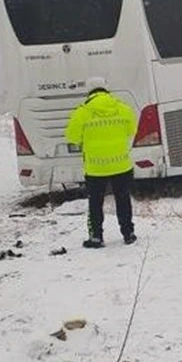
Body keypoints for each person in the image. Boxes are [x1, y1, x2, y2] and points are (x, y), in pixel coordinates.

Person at [64, 77, 138, 248]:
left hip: (95, 167)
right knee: (123, 199)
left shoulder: (82, 112)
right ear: (106, 89)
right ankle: (128, 234)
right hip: (121, 164)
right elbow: (131, 130)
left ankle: (96, 237)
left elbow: (72, 137)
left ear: (89, 92)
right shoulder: (123, 108)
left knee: (95, 202)